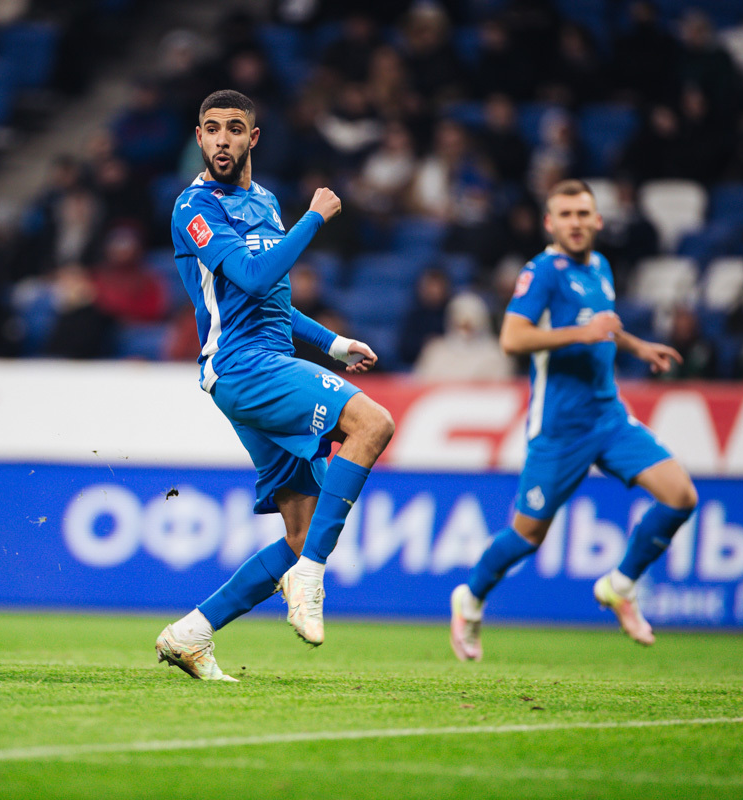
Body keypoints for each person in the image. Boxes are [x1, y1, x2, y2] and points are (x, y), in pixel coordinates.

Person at [155, 90, 395, 682]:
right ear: (199, 137)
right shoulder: (194, 207)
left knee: (299, 531)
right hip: (243, 367)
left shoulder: (263, 201)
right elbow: (255, 276)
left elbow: (273, 302)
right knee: (373, 423)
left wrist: (332, 344)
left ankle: (191, 633)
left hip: (264, 363)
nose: (222, 139)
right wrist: (315, 217)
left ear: (252, 138)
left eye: (234, 129)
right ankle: (310, 575)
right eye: (212, 128)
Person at [449, 180, 698, 662]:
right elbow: (512, 339)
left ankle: (620, 586)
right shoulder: (541, 272)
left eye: (583, 213)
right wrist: (580, 333)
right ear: (550, 223)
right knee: (527, 535)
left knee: (680, 496)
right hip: (559, 429)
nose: (576, 222)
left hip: (608, 417)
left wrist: (637, 346)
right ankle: (471, 598)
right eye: (565, 215)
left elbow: (603, 326)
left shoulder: (600, 266)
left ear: (598, 220)